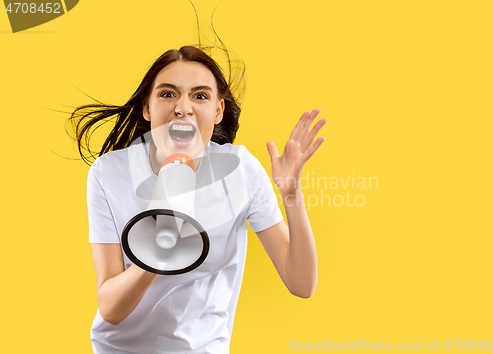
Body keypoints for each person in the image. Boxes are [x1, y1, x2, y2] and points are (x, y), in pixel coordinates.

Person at [70, 45, 326, 354]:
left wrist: (291, 194)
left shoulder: (240, 170)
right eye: (167, 94)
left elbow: (302, 284)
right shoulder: (109, 173)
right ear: (147, 108)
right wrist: (159, 252)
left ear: (218, 111)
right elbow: (110, 308)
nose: (183, 108)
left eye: (200, 96)